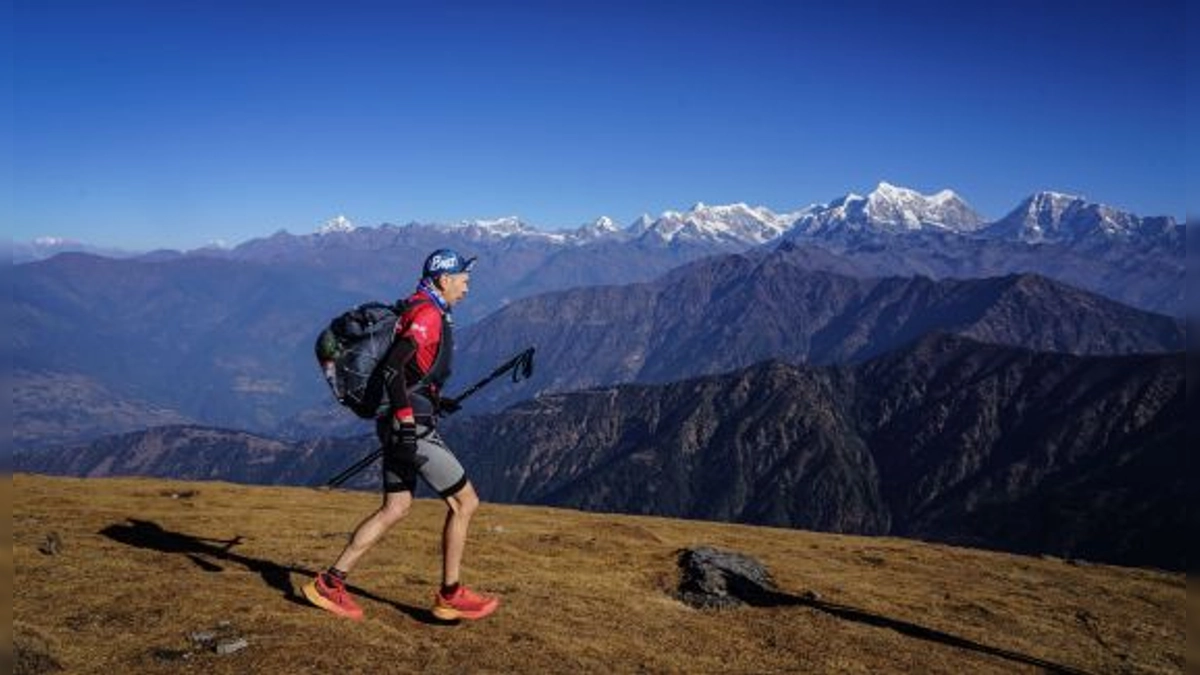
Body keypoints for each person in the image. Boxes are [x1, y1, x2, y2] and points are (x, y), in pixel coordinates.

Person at [303, 248, 499, 622]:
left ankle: (330, 583)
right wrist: (410, 421)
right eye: (463, 279)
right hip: (410, 427)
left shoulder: (420, 306)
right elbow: (394, 370)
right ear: (444, 279)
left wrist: (434, 400)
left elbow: (409, 375)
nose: (467, 287)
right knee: (465, 503)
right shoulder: (428, 314)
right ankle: (450, 594)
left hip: (400, 419)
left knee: (396, 508)